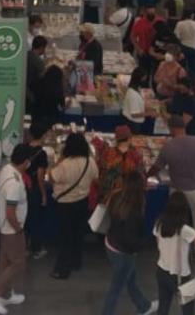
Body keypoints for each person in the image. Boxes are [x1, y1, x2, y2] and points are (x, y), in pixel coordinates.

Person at [148, 116, 195, 262]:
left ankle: (175, 252)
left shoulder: (169, 147)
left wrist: (145, 176)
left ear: (172, 128)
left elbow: (156, 167)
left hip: (177, 191)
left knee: (176, 221)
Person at [0, 144, 33, 314]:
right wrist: (19, 230)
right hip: (12, 229)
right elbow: (11, 213)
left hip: (3, 226)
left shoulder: (7, 169)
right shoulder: (15, 184)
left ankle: (6, 294)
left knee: (6, 262)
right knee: (18, 263)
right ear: (26, 162)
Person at [99, 169, 155, 315]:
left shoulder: (117, 196)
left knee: (131, 280)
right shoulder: (134, 211)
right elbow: (131, 240)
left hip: (111, 244)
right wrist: (145, 242)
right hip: (124, 253)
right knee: (116, 289)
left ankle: (144, 306)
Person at [49, 131, 99, 279]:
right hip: (82, 202)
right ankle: (76, 262)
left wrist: (59, 160)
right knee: (78, 235)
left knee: (66, 237)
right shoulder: (90, 161)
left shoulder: (65, 164)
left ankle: (62, 270)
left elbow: (52, 177)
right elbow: (95, 178)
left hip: (65, 204)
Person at [18, 123, 50, 259]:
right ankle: (36, 249)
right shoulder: (41, 154)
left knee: (23, 219)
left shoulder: (22, 148)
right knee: (35, 220)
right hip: (34, 189)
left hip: (22, 187)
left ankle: (22, 248)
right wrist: (43, 194)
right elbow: (40, 176)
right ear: (43, 135)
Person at [174, 11, 195, 78]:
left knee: (181, 67)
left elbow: (176, 36)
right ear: (192, 16)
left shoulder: (180, 24)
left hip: (183, 47)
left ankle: (183, 82)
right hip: (194, 47)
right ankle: (193, 84)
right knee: (193, 67)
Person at [121, 67, 149, 131]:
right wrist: (149, 113)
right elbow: (134, 114)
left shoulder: (137, 89)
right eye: (144, 77)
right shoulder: (132, 94)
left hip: (134, 122)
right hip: (133, 124)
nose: (145, 79)